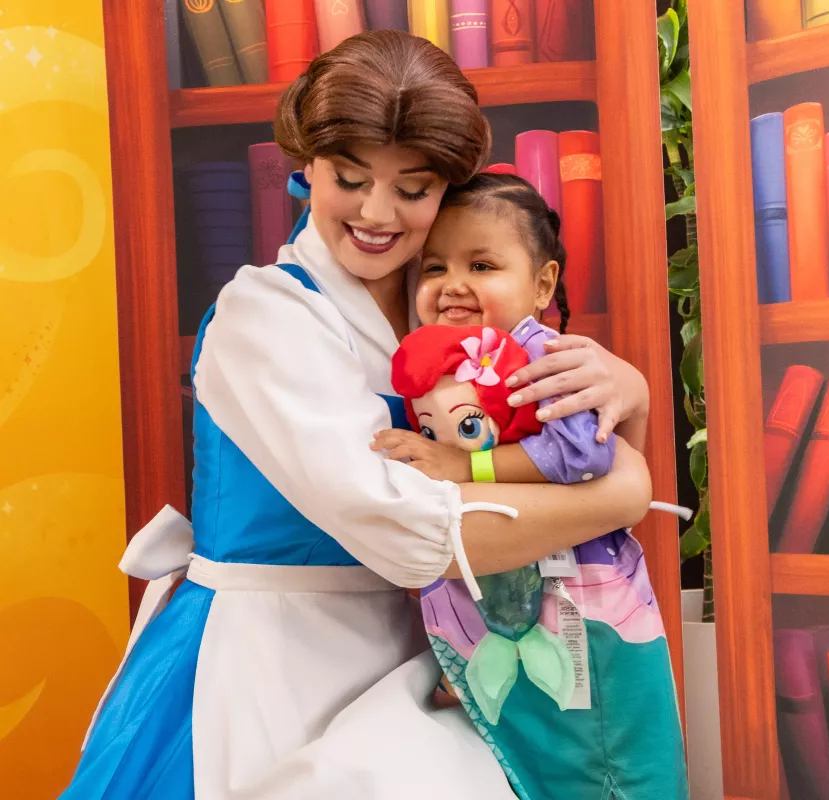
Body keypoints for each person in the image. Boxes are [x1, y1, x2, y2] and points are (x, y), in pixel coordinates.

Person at [61, 31, 655, 799]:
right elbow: (403, 528)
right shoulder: (262, 316)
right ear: (305, 165)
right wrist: (621, 488)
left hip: (430, 658)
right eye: (350, 178)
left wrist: (625, 394)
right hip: (269, 669)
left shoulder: (449, 310)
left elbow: (583, 503)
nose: (378, 214)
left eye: (413, 189)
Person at [380, 173, 688, 798]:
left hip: (582, 619)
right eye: (434, 266)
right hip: (498, 626)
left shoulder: (548, 358)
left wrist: (466, 468)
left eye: (483, 263)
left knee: (604, 770)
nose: (452, 284)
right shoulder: (442, 360)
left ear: (542, 283)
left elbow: (581, 453)